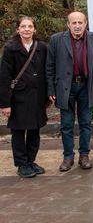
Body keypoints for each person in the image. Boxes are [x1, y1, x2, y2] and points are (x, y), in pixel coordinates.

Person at [46, 12, 93, 171]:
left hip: (87, 87)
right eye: (74, 23)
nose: (77, 26)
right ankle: (68, 157)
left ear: (86, 23)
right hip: (65, 88)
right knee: (66, 124)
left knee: (86, 123)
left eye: (80, 22)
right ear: (68, 24)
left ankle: (84, 155)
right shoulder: (56, 39)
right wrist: (51, 89)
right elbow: (49, 66)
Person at [0, 16, 48, 178]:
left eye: (30, 26)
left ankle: (31, 161)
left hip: (37, 96)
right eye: (23, 26)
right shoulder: (10, 48)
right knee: (19, 132)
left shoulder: (41, 47)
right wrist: (5, 104)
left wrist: (48, 95)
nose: (27, 29)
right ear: (18, 29)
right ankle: (21, 164)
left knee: (35, 130)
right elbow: (4, 77)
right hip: (18, 97)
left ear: (34, 29)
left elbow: (47, 72)